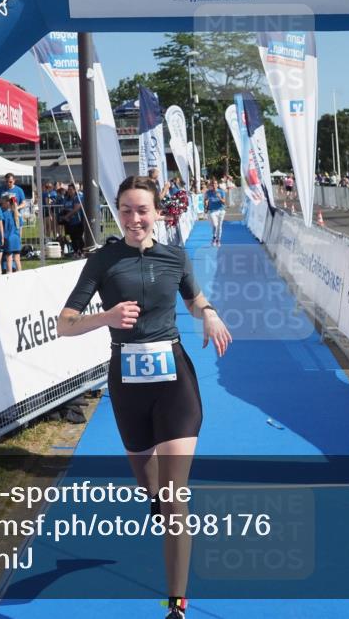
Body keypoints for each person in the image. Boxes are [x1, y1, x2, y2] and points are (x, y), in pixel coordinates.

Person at [58, 176, 232, 619]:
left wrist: (208, 315)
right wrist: (107, 316)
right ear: (118, 211)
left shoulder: (174, 256)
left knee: (176, 496)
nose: (135, 219)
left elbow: (194, 300)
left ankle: (176, 603)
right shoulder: (103, 261)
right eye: (127, 210)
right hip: (126, 382)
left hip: (175, 381)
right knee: (150, 486)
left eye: (142, 210)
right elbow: (65, 323)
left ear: (157, 212)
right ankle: (154, 498)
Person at [60, 183, 86, 258]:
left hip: (77, 221)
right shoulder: (67, 198)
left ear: (75, 190)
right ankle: (75, 252)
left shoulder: (78, 198)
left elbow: (76, 209)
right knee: (71, 238)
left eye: (71, 189)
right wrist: (63, 213)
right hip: (69, 222)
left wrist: (67, 216)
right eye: (68, 189)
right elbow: (65, 207)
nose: (69, 191)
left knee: (78, 237)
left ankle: (81, 252)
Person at [0, 194, 22, 274]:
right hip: (16, 238)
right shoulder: (18, 214)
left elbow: (1, 227)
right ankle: (20, 274)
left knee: (9, 258)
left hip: (8, 238)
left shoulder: (4, 214)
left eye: (2, 203)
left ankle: (9, 274)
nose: (1, 205)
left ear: (8, 203)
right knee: (17, 259)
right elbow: (20, 228)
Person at [204, 178, 227, 246]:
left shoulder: (221, 191)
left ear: (217, 185)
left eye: (215, 184)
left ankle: (218, 240)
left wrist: (219, 197)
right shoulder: (208, 192)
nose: (214, 185)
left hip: (221, 210)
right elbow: (205, 200)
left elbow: (224, 202)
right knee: (215, 225)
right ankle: (214, 237)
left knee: (219, 226)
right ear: (211, 185)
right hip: (212, 211)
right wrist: (205, 204)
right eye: (213, 184)